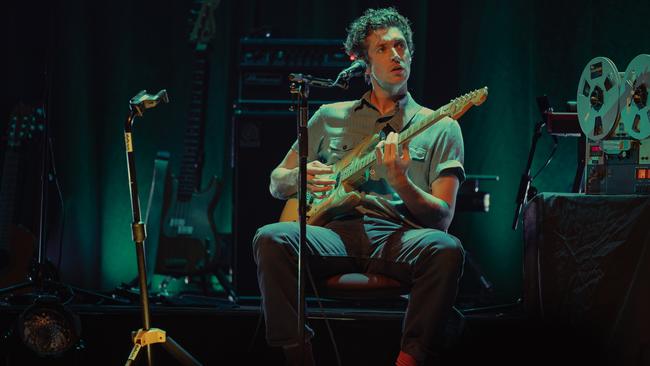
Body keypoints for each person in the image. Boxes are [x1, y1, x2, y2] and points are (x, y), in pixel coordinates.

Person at [253, 7, 465, 366]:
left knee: (447, 249)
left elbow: (442, 219)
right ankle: (298, 355)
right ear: (364, 66)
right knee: (270, 238)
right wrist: (298, 177)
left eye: (401, 46)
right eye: (382, 49)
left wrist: (401, 182)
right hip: (332, 232)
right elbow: (276, 182)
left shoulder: (440, 125)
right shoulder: (329, 116)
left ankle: (408, 360)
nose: (396, 55)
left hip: (399, 235)